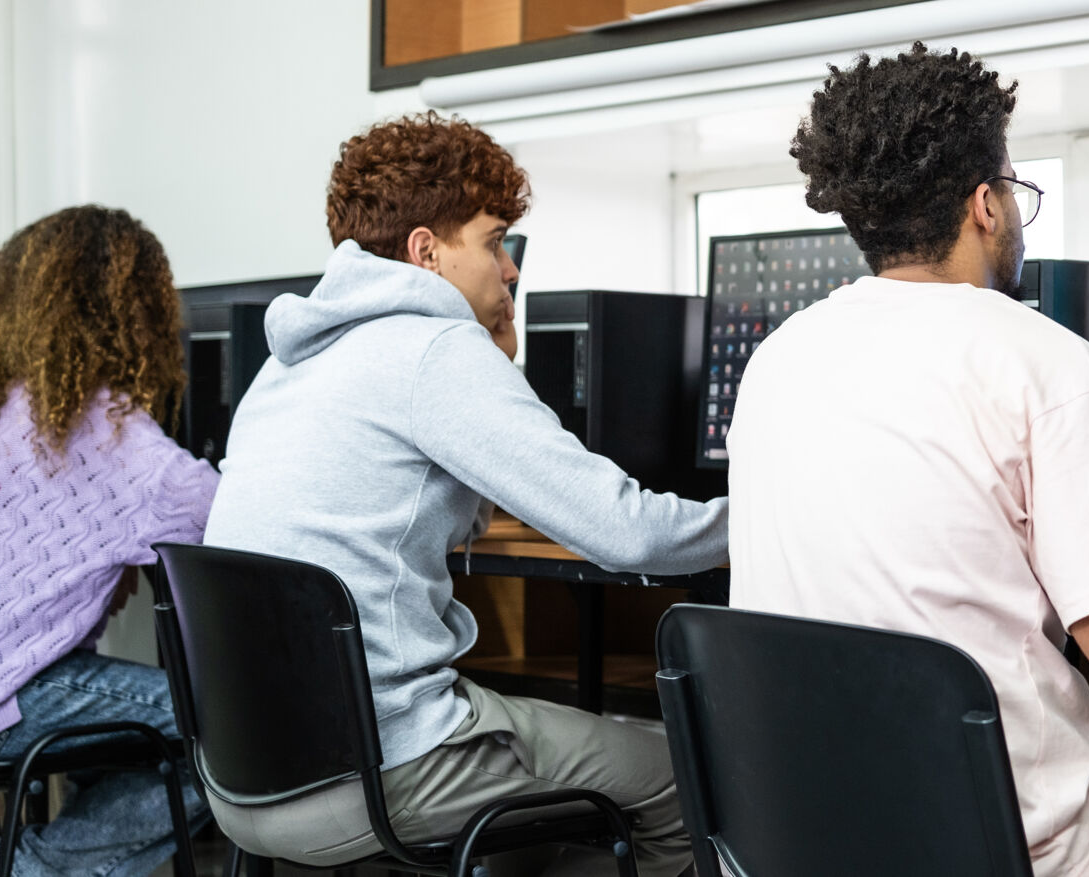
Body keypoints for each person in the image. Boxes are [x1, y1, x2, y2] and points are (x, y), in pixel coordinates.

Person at [727, 42, 1089, 877]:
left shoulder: (779, 357)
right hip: (1011, 843)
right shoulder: (1043, 359)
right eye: (1014, 187)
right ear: (985, 205)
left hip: (813, 833)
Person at [202, 112, 728, 876]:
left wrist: (496, 352)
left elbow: (437, 506)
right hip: (378, 768)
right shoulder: (431, 349)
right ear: (426, 251)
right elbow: (629, 534)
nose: (511, 269)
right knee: (678, 776)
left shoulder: (285, 363)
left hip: (248, 777)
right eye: (493, 242)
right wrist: (762, 514)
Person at [0, 205, 218, 876]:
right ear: (129, 311)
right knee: (231, 724)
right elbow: (227, 519)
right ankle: (18, 870)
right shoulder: (103, 426)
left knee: (135, 738)